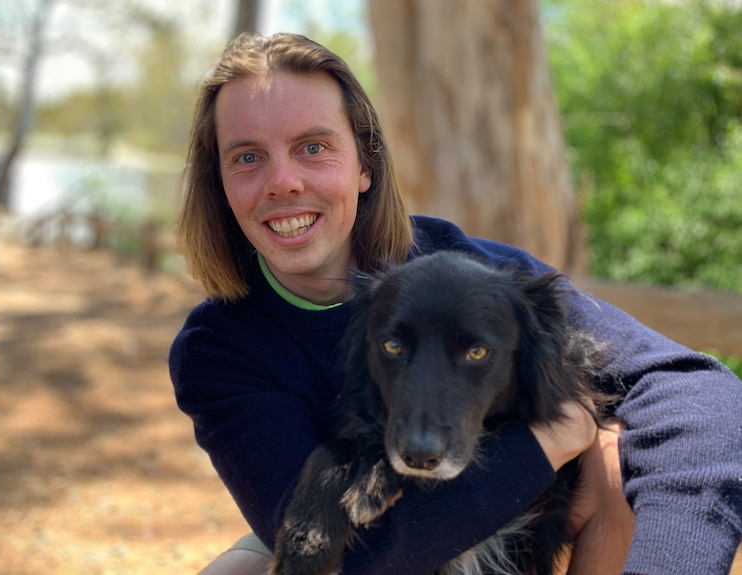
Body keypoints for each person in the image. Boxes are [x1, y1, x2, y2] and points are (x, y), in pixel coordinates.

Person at [169, 32, 742, 575]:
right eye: (246, 157)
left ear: (365, 165)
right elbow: (335, 557)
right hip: (360, 534)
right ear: (217, 183)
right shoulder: (220, 349)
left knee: (612, 460)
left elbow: (697, 390)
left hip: (521, 531)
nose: (283, 182)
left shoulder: (473, 270)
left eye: (313, 147)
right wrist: (552, 438)